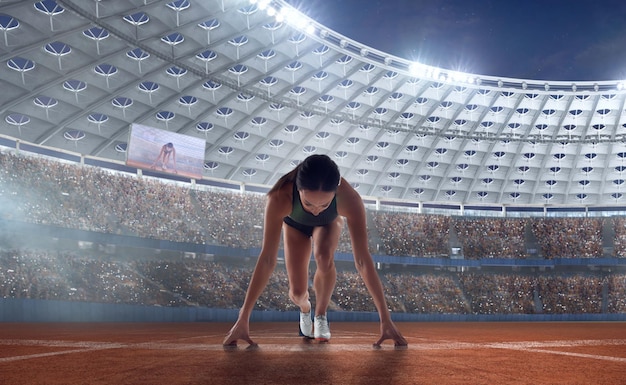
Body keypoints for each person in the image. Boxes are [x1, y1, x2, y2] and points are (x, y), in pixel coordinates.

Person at [223, 154, 407, 347]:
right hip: (295, 227)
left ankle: (320, 315)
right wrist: (243, 318)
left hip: (329, 224)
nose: (316, 210)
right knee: (297, 292)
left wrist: (385, 318)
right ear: (297, 189)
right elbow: (268, 259)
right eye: (308, 203)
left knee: (324, 256)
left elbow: (362, 261)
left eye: (325, 204)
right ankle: (305, 308)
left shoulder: (350, 199)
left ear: (336, 192)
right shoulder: (279, 197)